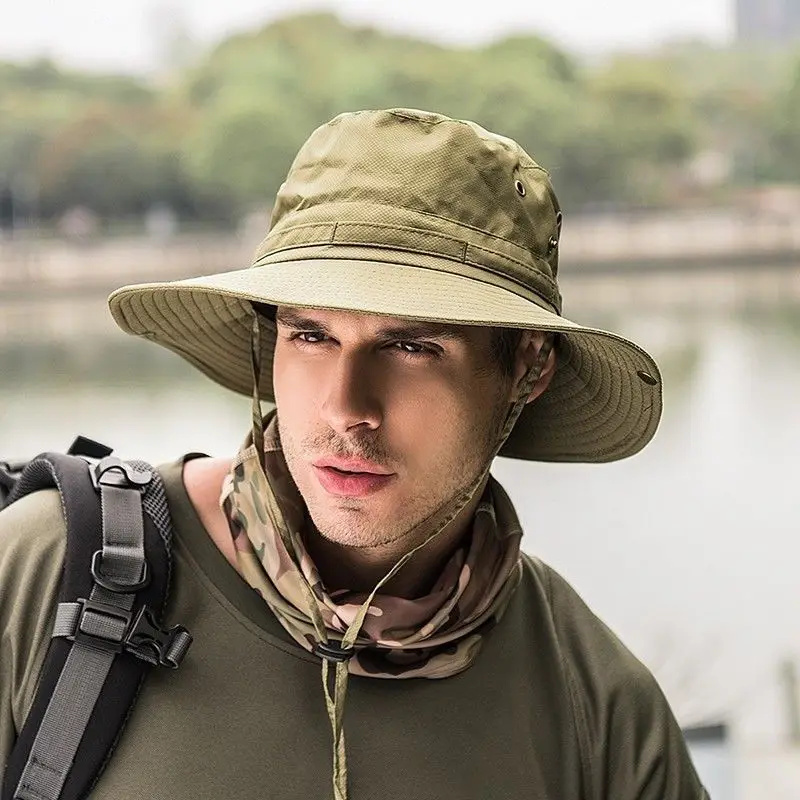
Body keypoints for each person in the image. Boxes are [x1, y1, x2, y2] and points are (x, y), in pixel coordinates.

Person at [0, 108, 708, 799]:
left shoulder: (595, 699)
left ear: (527, 366)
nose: (347, 409)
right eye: (310, 336)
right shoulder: (45, 571)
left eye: (411, 347)